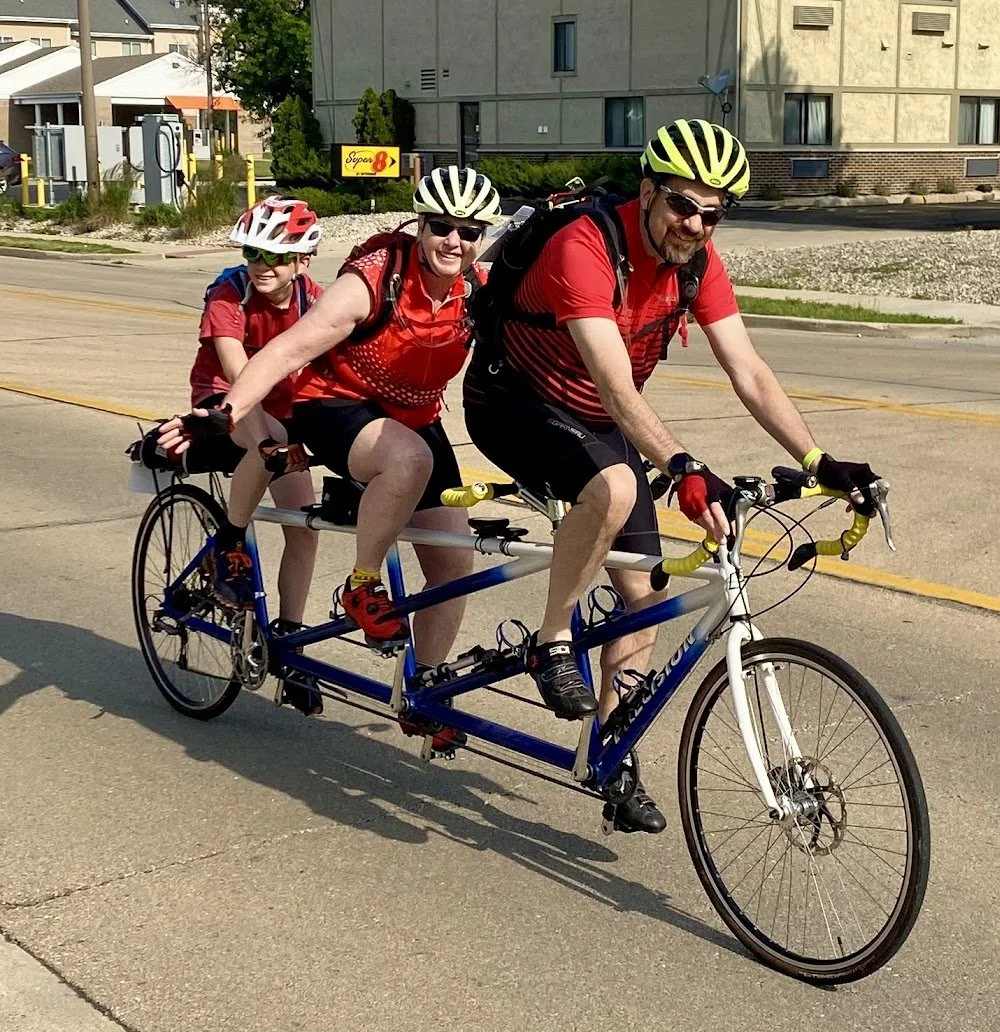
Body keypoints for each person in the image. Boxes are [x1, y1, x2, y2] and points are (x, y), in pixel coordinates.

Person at [463, 118, 881, 833]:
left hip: (601, 420)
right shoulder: (585, 244)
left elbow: (747, 370)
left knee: (644, 596)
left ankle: (613, 758)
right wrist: (683, 465)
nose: (696, 224)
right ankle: (551, 640)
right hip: (515, 402)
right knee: (618, 487)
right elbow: (618, 384)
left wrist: (819, 461)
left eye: (713, 213)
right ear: (649, 191)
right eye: (683, 205)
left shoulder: (698, 262)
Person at [161, 166, 502, 750]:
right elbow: (286, 349)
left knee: (451, 566)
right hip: (331, 405)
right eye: (442, 226)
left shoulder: (476, 286)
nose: (455, 240)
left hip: (411, 416)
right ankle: (338, 577)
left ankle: (422, 694)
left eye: (469, 231)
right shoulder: (370, 277)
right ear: (419, 225)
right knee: (360, 458)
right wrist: (229, 409)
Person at [170, 195, 323, 714]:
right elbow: (239, 376)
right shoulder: (229, 291)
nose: (262, 265)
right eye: (254, 253)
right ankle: (229, 543)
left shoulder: (316, 300)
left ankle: (291, 642)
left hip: (282, 417)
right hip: (223, 406)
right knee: (270, 434)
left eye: (277, 256)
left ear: (303, 261)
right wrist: (270, 442)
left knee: (303, 526)